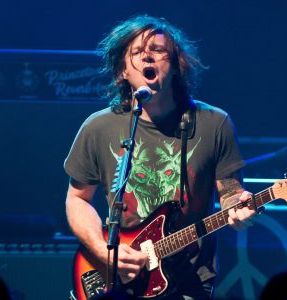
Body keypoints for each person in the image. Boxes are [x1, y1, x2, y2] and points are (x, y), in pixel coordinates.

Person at [64, 15, 255, 299]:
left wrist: (238, 209)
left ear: (176, 66)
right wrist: (103, 252)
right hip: (116, 280)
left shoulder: (214, 123)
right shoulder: (98, 127)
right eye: (137, 53)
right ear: (122, 72)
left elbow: (231, 194)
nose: (148, 58)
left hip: (189, 282)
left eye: (158, 50)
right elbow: (77, 199)